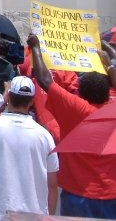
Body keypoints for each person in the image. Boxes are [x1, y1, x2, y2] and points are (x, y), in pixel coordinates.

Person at [28, 34, 116, 219]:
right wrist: (109, 56)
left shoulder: (76, 109)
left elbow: (45, 80)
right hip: (112, 194)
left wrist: (35, 47)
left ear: (81, 93)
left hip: (77, 194)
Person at [0, 76, 59, 221]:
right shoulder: (45, 136)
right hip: (33, 217)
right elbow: (52, 185)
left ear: (8, 96)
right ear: (31, 101)